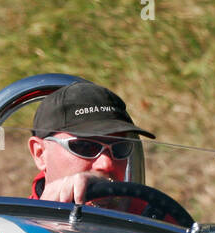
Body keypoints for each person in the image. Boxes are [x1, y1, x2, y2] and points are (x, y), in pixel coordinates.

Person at [26, 81, 155, 204]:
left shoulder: (152, 216)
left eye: (120, 148)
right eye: (85, 147)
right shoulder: (15, 225)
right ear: (40, 154)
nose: (106, 164)